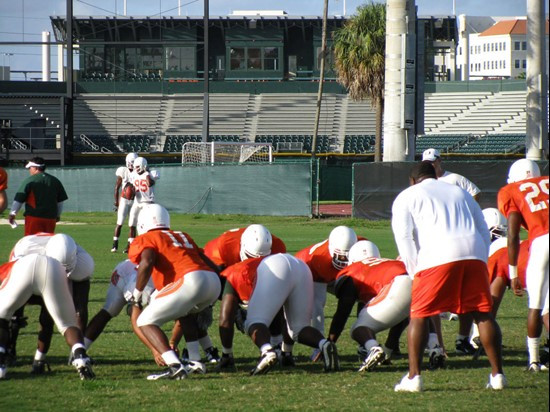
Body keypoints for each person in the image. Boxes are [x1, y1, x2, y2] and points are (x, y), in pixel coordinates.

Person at [391, 161, 505, 392]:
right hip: (473, 252)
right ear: (435, 175)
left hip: (437, 255)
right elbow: (482, 226)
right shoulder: (459, 191)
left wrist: (414, 269)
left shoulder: (408, 195)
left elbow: (404, 236)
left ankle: (414, 378)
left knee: (419, 314)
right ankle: (498, 375)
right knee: (483, 313)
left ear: (413, 180)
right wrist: (481, 258)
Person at [128, 203, 221, 380]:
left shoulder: (147, 238)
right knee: (185, 313)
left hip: (190, 280)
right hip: (212, 280)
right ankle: (195, 360)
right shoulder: (181, 235)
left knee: (144, 321)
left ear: (142, 224)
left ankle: (174, 365)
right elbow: (208, 262)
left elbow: (147, 261)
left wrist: (137, 294)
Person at [218, 253, 340, 375]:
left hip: (275, 267)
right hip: (300, 267)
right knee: (299, 329)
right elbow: (281, 311)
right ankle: (324, 344)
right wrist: (286, 352)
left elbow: (225, 320)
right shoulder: (256, 263)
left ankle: (267, 352)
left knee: (254, 322)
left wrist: (226, 353)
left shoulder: (232, 273)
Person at [423, 147, 481, 355]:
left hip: (458, 238)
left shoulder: (454, 179)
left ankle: (465, 337)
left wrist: (465, 213)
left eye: (434, 161)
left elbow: (475, 193)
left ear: (440, 161)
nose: (431, 164)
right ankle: (440, 343)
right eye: (428, 162)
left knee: (468, 293)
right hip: (438, 240)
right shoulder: (425, 183)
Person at [7, 233, 94, 373]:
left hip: (47, 266)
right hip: (31, 265)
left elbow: (80, 310)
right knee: (12, 310)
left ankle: (42, 359)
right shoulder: (24, 251)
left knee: (52, 313)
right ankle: (8, 350)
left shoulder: (83, 263)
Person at [328, 240, 412, 372]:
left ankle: (373, 348)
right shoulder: (386, 262)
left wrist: (330, 343)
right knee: (404, 312)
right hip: (414, 280)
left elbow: (343, 312)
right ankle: (433, 347)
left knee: (358, 328)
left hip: (396, 284)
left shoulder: (352, 270)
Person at [498, 159, 549, 372]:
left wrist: (512, 273)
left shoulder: (511, 190)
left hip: (541, 241)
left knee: (536, 305)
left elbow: (512, 233)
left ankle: (534, 361)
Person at [84, 259, 164, 364]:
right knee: (110, 310)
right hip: (126, 275)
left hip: (134, 271)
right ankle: (79, 352)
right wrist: (156, 350)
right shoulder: (144, 283)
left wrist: (172, 343)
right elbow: (136, 321)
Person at [295, 226, 358, 359]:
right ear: (332, 249)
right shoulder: (320, 259)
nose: (344, 260)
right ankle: (318, 347)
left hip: (330, 273)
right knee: (317, 307)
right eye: (340, 256)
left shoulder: (361, 246)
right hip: (309, 271)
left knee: (362, 294)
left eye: (347, 255)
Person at [8, 157, 68, 236]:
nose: (29, 170)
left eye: (30, 168)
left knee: (31, 242)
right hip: (50, 218)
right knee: (46, 242)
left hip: (34, 217)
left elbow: (19, 199)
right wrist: (57, 215)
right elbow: (60, 201)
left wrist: (12, 214)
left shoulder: (30, 180)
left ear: (35, 168)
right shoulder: (55, 181)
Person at [125, 156, 160, 253]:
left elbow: (149, 183)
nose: (136, 168)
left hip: (147, 203)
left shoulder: (150, 174)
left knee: (145, 226)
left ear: (143, 166)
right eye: (135, 167)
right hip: (137, 201)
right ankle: (130, 245)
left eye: (138, 166)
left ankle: (147, 245)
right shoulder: (134, 175)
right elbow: (130, 186)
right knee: (131, 223)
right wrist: (129, 191)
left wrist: (147, 173)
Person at [111, 152, 138, 252]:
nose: (132, 165)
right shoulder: (123, 171)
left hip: (134, 200)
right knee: (120, 222)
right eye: (131, 162)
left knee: (132, 224)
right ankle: (115, 244)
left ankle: (129, 246)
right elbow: (116, 188)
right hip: (124, 199)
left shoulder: (138, 172)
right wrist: (117, 202)